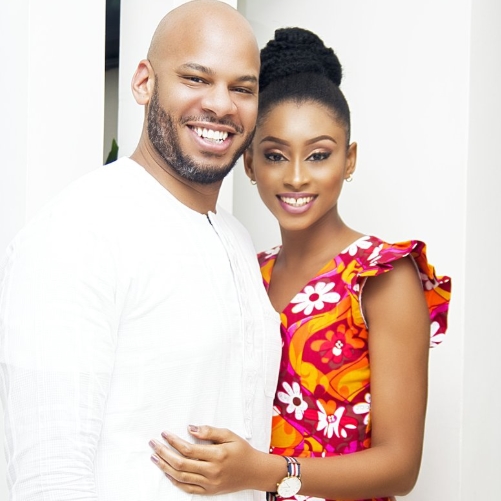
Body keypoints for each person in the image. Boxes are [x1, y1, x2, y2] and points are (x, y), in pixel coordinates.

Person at [148, 27, 452, 501]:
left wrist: (264, 471)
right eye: (275, 155)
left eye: (318, 155)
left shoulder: (380, 275)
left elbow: (400, 467)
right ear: (250, 164)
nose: (295, 177)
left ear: (348, 160)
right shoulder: (247, 270)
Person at [0, 1, 282, 500]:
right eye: (195, 78)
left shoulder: (235, 237)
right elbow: (51, 478)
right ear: (144, 83)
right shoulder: (78, 232)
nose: (222, 105)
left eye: (243, 88)